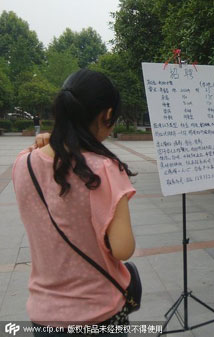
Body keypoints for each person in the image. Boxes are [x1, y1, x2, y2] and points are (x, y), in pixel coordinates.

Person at [11, 69, 136, 333]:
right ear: (108, 114)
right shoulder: (103, 170)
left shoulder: (23, 164)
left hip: (43, 316)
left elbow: (43, 151)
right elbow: (123, 249)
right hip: (98, 314)